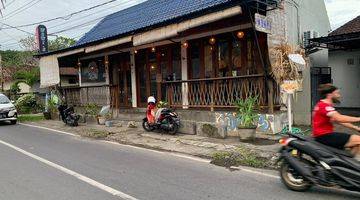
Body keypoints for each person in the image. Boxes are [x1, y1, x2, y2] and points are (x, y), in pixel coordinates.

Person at [312, 84, 360, 156]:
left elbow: (336, 119)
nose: (339, 96)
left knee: (356, 144)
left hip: (323, 135)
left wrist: (356, 128)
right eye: (337, 93)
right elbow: (339, 118)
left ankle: (351, 163)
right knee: (358, 140)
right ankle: (350, 164)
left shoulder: (322, 105)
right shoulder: (324, 106)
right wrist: (358, 119)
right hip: (324, 136)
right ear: (330, 95)